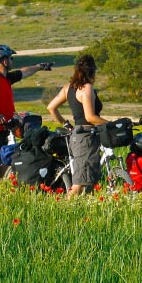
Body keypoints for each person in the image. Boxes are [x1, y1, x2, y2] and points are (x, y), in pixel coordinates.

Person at [0, 44, 53, 180]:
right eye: (11, 58)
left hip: (5, 126)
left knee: (3, 164)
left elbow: (24, 72)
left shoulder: (6, 78)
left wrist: (40, 66)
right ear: (4, 61)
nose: (12, 61)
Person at [47, 54, 108, 197]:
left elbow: (51, 107)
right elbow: (90, 117)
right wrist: (111, 124)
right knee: (79, 183)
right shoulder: (86, 88)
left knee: (87, 179)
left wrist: (65, 124)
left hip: (78, 135)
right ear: (92, 71)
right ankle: (65, 212)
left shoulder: (68, 88)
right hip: (86, 137)